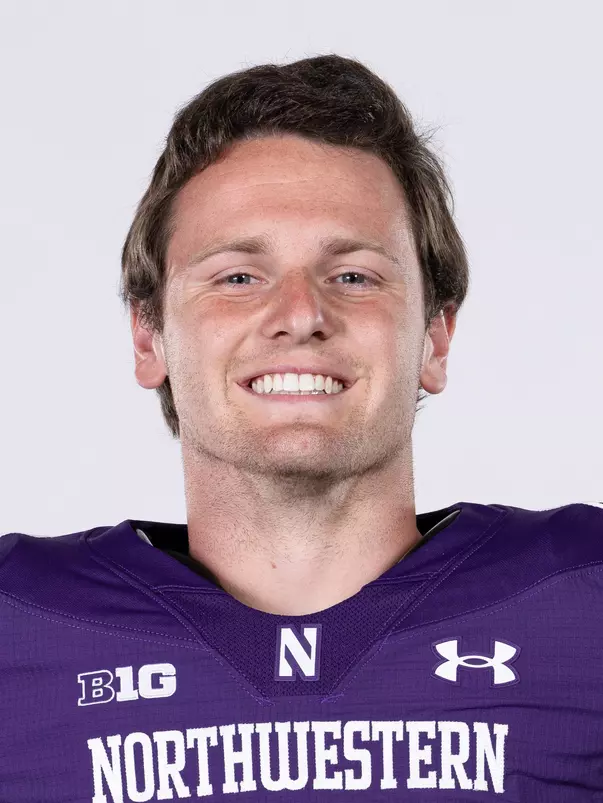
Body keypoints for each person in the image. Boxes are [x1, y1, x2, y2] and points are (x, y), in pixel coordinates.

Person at [0, 54, 601, 802]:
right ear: (149, 337)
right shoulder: (17, 625)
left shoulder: (583, 603)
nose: (300, 315)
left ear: (434, 338)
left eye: (352, 274)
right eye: (237, 276)